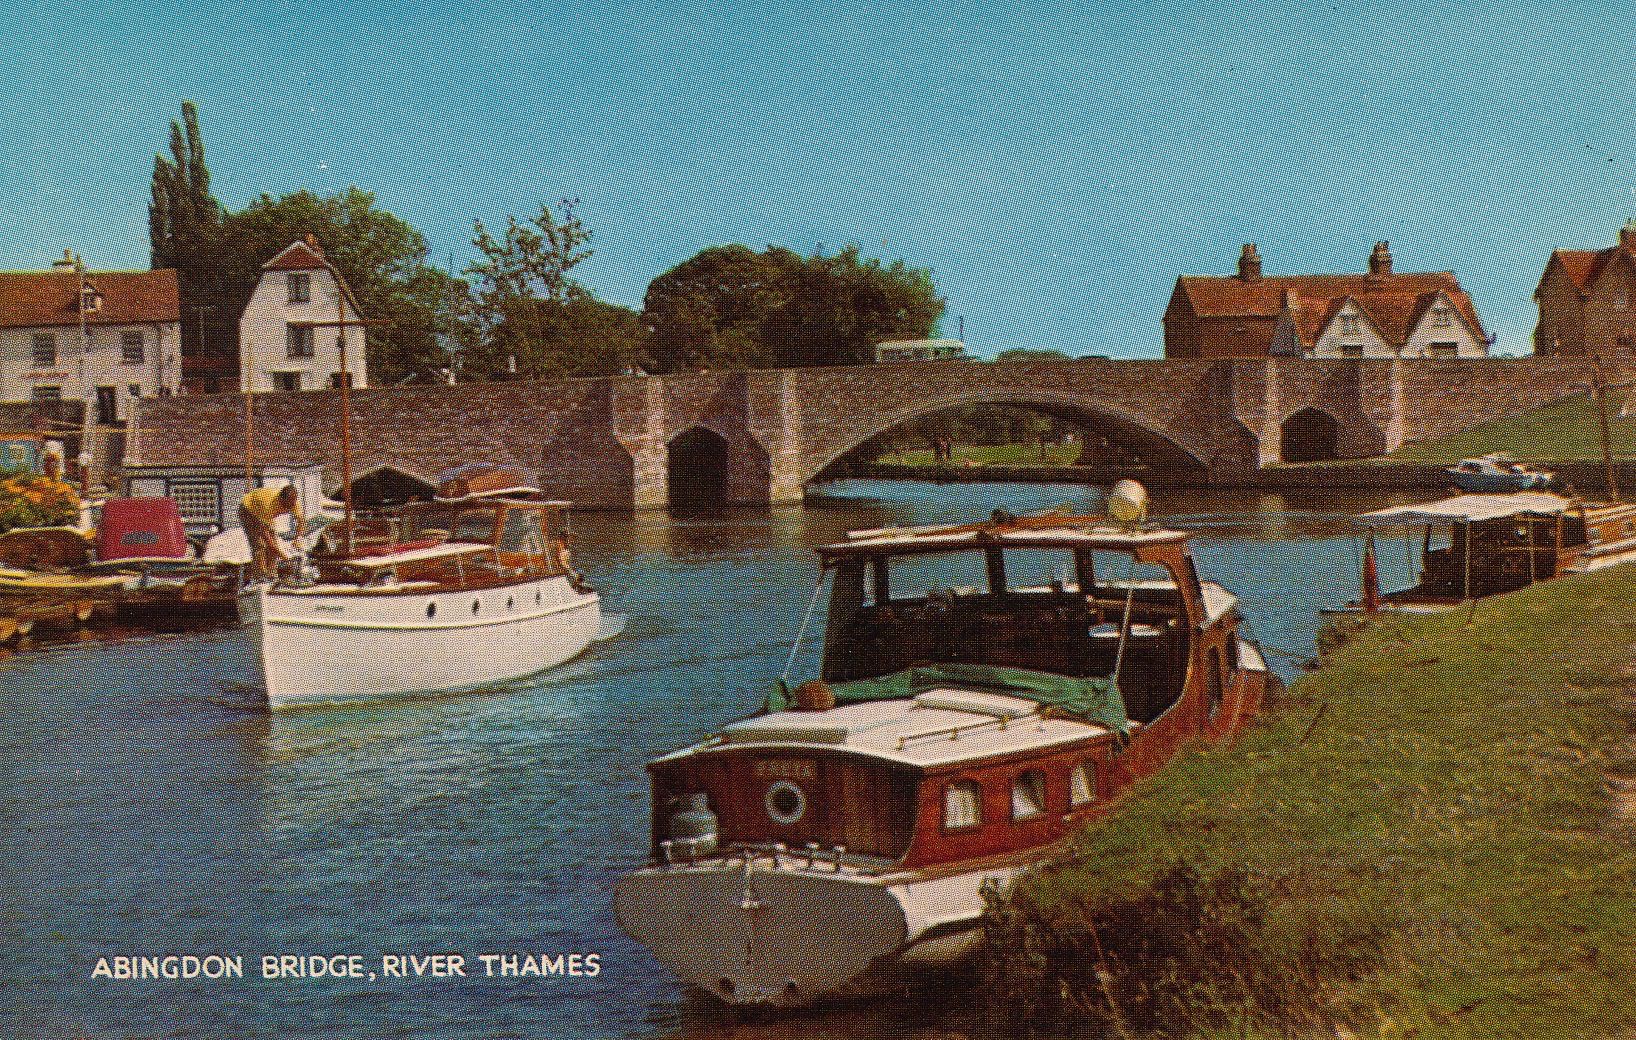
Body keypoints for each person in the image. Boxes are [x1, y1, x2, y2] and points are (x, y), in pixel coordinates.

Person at [239, 484, 304, 579]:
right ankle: (260, 577)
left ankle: (271, 575)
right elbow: (268, 540)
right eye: (287, 505)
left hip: (265, 515)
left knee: (274, 546)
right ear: (281, 499)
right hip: (248, 510)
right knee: (260, 545)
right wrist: (285, 558)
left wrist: (298, 539)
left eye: (291, 505)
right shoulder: (268, 505)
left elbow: (301, 521)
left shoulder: (293, 502)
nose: (290, 508)